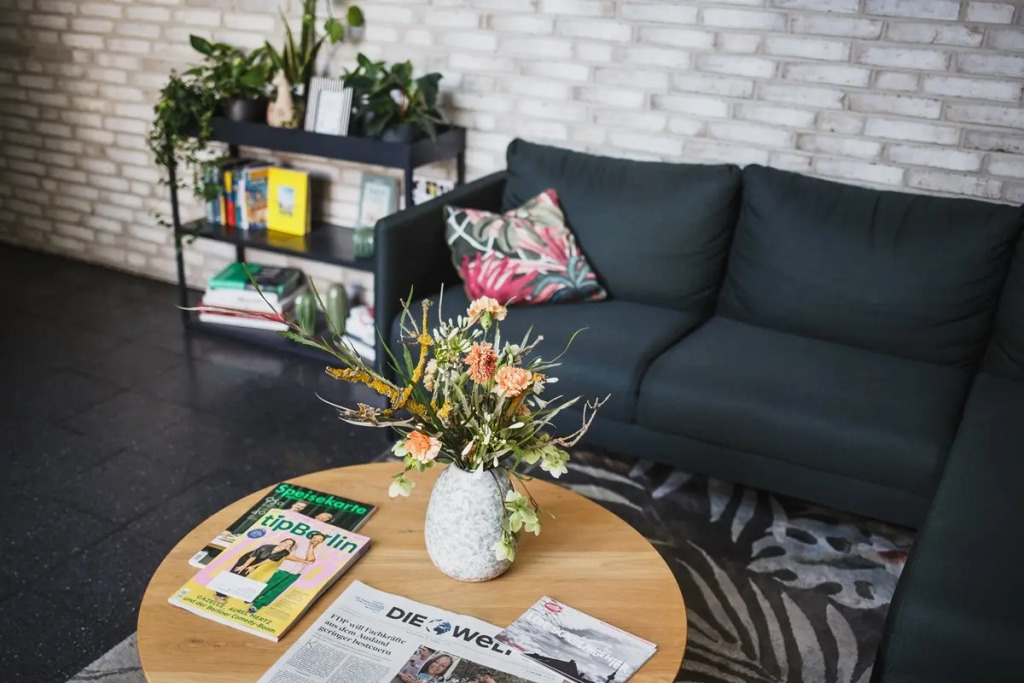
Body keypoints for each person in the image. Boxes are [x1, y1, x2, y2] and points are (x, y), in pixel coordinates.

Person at [248, 532, 325, 613]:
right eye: (315, 538)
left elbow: (310, 560)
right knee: (269, 584)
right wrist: (304, 561)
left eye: (319, 539)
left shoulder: (318, 551)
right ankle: (253, 598)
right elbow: (288, 556)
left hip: (296, 573)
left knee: (278, 590)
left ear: (321, 542)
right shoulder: (299, 545)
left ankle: (258, 605)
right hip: (284, 569)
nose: (316, 540)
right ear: (311, 537)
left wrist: (311, 547)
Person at [213, 539, 305, 604]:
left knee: (241, 577)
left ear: (290, 547)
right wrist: (244, 566)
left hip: (257, 562)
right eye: (285, 542)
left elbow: (266, 561)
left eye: (289, 545)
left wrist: (253, 567)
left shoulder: (284, 553)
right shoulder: (265, 547)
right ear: (281, 542)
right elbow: (252, 557)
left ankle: (224, 592)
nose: (286, 545)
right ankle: (219, 595)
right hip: (247, 558)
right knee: (234, 575)